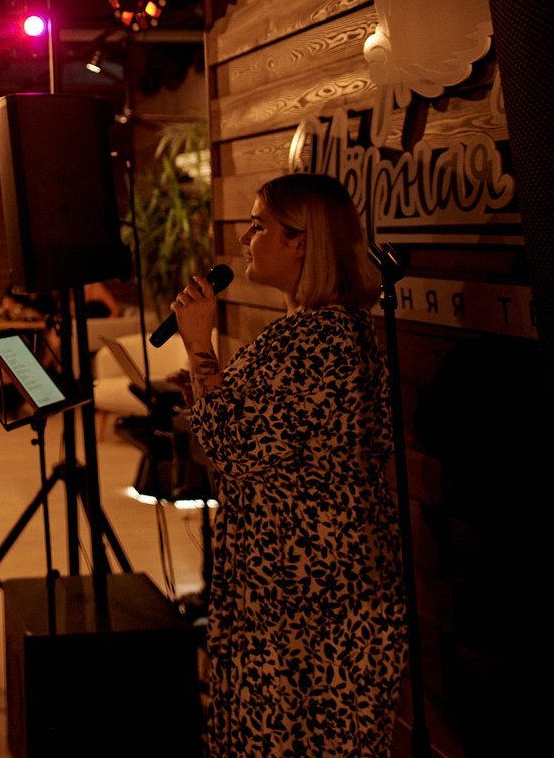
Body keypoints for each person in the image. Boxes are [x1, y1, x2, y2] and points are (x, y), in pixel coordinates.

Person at [168, 173, 406, 756]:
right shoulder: (303, 331)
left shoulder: (326, 338)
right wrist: (205, 384)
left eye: (258, 226)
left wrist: (199, 347)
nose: (245, 239)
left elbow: (237, 449)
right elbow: (266, 436)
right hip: (283, 590)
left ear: (300, 242)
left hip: (313, 596)